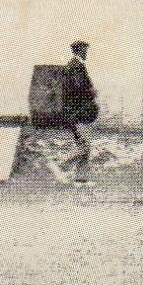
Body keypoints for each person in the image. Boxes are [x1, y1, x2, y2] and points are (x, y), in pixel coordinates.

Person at [61, 41, 98, 183]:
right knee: (85, 146)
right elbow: (79, 90)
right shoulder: (76, 66)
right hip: (77, 113)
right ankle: (62, 164)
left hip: (75, 112)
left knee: (84, 146)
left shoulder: (73, 65)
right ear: (79, 51)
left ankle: (80, 179)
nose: (86, 53)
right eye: (84, 50)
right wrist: (91, 93)